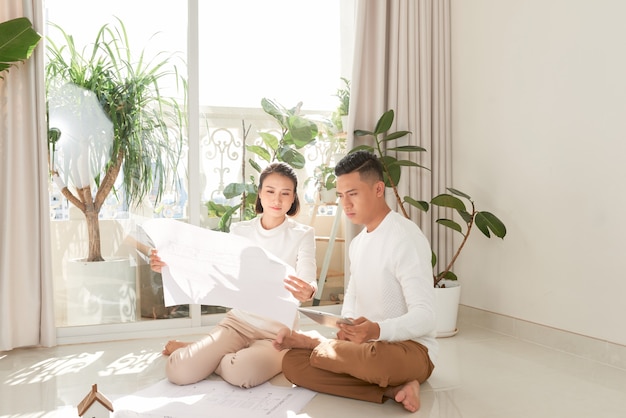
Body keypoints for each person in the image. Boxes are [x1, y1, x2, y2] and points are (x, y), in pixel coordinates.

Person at [273, 151, 438, 413]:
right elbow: (352, 294)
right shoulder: (359, 242)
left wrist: (377, 331)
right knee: (293, 364)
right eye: (340, 196)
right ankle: (393, 390)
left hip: (408, 351)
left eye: (353, 193)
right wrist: (346, 327)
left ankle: (317, 344)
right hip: (364, 348)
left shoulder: (405, 237)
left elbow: (426, 317)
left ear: (378, 189)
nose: (345, 204)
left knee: (375, 360)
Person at [150, 162, 317, 389]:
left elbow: (308, 278)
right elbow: (213, 269)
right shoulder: (241, 231)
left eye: (285, 193)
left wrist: (309, 288)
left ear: (293, 198)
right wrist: (170, 265)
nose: (277, 200)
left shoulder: (303, 234)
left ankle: (207, 354)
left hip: (278, 333)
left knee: (241, 374)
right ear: (259, 194)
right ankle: (204, 352)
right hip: (239, 323)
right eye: (270, 191)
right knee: (178, 370)